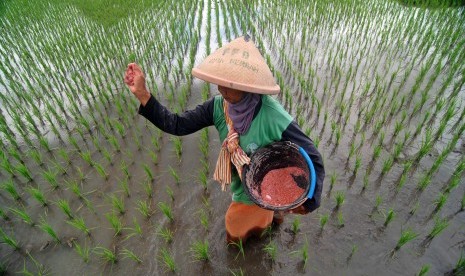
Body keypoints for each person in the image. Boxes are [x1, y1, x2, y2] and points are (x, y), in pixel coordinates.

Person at [124, 36, 325, 243]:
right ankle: (274, 217)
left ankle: (271, 216)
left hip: (263, 182)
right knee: (261, 220)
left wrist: (310, 203)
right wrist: (142, 93)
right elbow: (177, 124)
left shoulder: (273, 116)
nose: (222, 89)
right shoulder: (219, 106)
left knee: (234, 234)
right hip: (242, 180)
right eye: (220, 82)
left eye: (230, 84)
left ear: (248, 85)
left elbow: (313, 156)